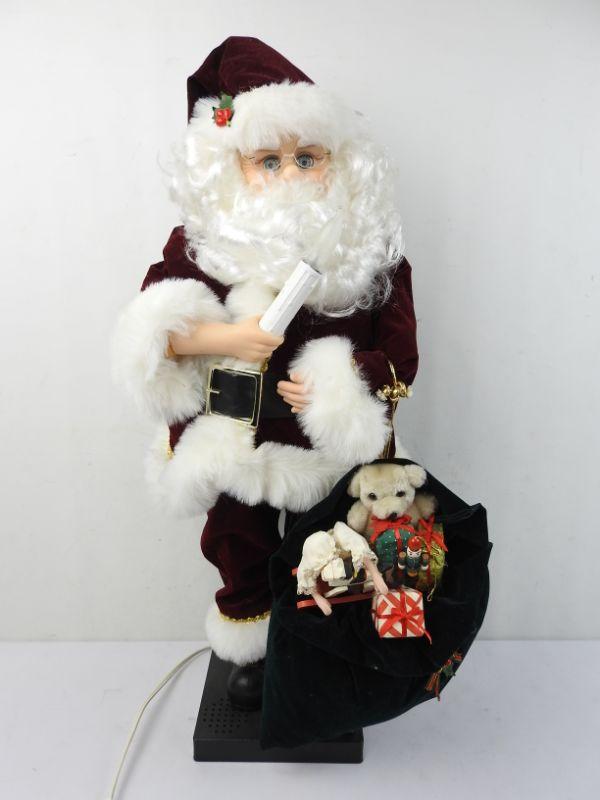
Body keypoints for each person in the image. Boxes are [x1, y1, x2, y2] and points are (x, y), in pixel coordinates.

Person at [112, 36, 419, 709]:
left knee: (329, 546)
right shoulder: (199, 245)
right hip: (233, 437)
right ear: (233, 167)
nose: (288, 176)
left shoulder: (371, 253)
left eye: (306, 158)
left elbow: (400, 355)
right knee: (238, 544)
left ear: (336, 162)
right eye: (267, 161)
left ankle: (318, 650)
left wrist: (343, 376)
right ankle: (251, 644)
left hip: (322, 444)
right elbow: (152, 332)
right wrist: (228, 336)